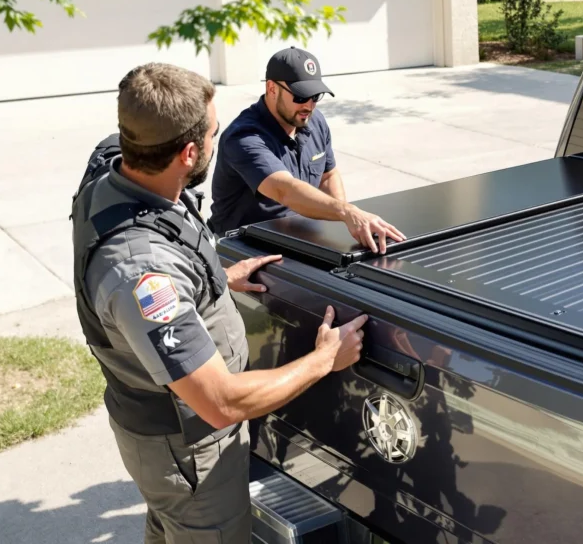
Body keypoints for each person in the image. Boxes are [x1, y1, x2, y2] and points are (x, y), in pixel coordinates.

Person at [70, 62, 368, 543]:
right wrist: (324, 360)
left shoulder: (121, 166)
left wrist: (213, 281)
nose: (219, 139)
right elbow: (221, 403)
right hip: (187, 447)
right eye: (213, 132)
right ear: (189, 153)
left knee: (171, 528)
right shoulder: (142, 274)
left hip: (168, 443)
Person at [209, 46, 405, 253]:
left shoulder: (314, 121)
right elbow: (284, 190)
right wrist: (347, 212)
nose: (309, 106)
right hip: (242, 248)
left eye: (315, 96)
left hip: (298, 238)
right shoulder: (244, 137)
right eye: (300, 97)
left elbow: (328, 176)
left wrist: (344, 221)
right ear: (272, 88)